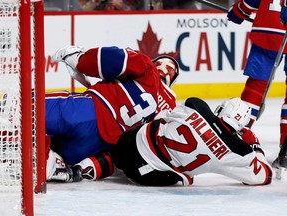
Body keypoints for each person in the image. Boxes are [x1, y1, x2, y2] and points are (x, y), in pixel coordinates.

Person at [46, 45, 179, 182]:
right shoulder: (168, 112)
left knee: (28, 105)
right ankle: (57, 163)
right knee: (57, 147)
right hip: (93, 147)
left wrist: (80, 59)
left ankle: (43, 158)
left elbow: (114, 59)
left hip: (86, 111)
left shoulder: (147, 67)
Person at [110, 97, 273, 186]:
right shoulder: (235, 152)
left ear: (221, 109)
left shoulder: (196, 106)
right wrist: (255, 147)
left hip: (128, 142)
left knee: (155, 125)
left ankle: (101, 162)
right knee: (185, 178)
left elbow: (161, 116)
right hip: (145, 174)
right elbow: (263, 176)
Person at [227, 0, 287, 178]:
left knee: (256, 87)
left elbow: (250, 2)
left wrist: (238, 11)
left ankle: (238, 134)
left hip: (268, 31)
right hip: (276, 28)